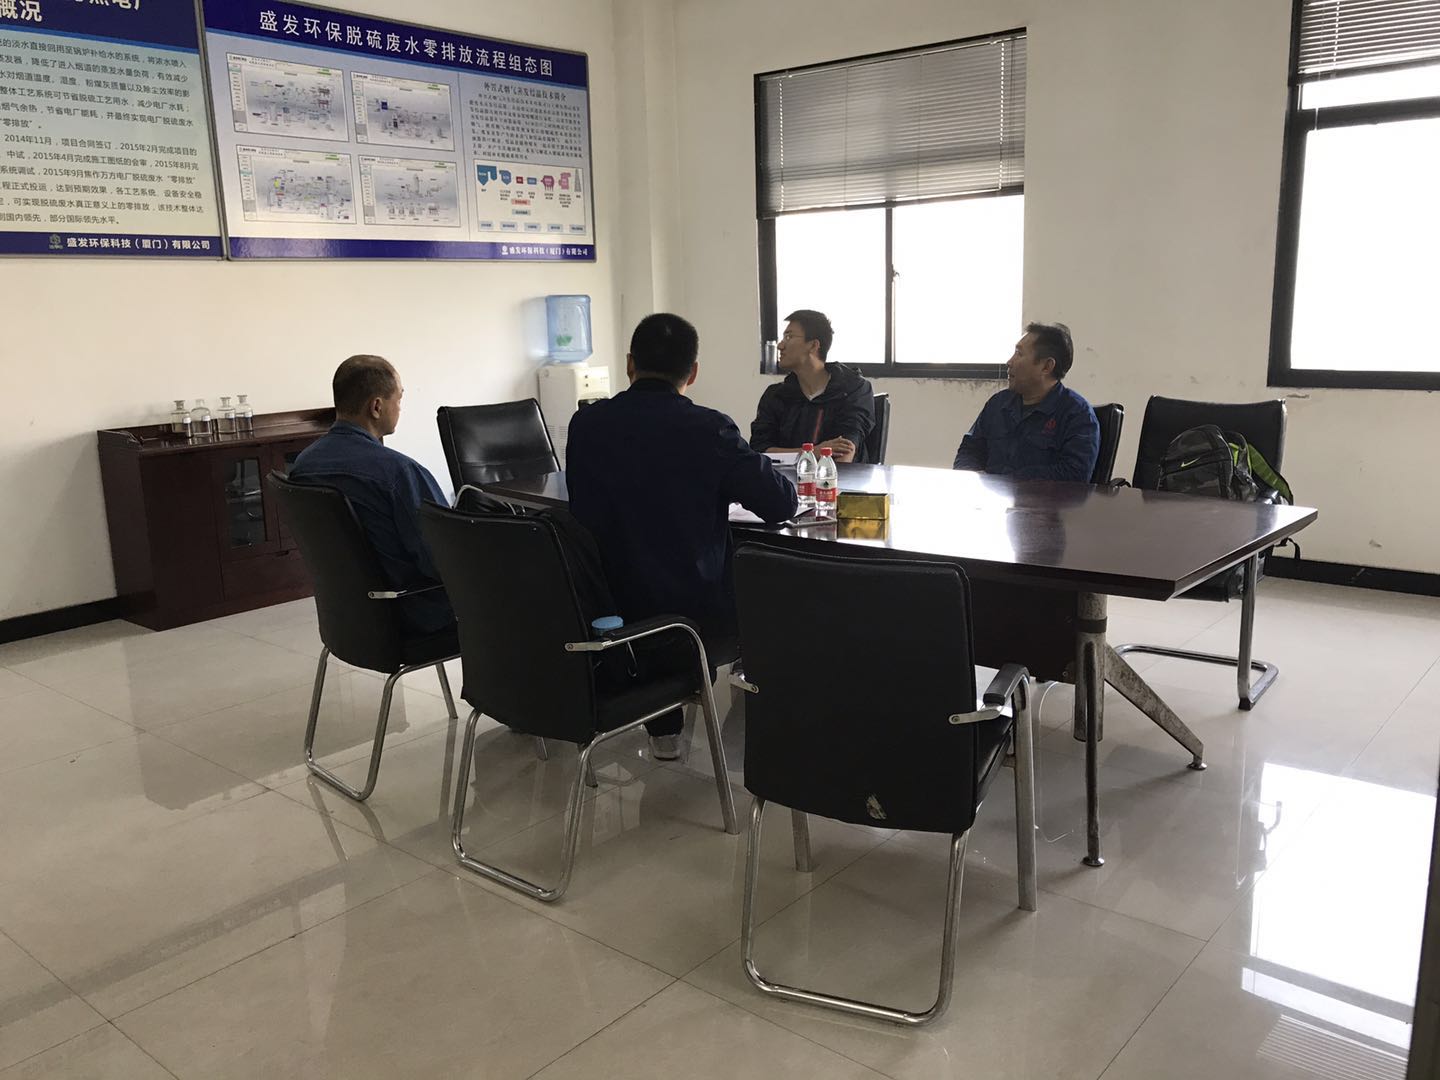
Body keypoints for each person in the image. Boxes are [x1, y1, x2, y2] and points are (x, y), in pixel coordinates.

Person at [567, 313, 797, 758]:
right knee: (773, 589)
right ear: (692, 372)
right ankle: (767, 738)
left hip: (600, 609)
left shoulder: (586, 424)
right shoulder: (708, 429)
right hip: (688, 622)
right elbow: (780, 504)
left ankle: (665, 725)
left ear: (630, 363)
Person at [289, 354, 454, 636]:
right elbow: (446, 560)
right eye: (398, 399)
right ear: (376, 406)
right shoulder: (399, 473)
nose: (400, 408)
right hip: (413, 618)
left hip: (346, 620)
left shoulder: (303, 465)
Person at [952, 322, 1100, 482]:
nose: (1009, 362)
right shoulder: (998, 404)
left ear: (1046, 366)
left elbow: (1075, 475)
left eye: (1019, 354)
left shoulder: (1077, 415)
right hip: (991, 496)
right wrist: (974, 478)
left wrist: (1007, 482)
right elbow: (969, 450)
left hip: (1041, 499)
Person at [750, 309, 875, 463]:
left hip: (838, 477)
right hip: (782, 477)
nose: (780, 346)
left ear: (813, 345)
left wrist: (801, 456)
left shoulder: (853, 389)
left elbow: (845, 451)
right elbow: (760, 451)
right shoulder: (775, 395)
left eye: (789, 337)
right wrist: (812, 452)